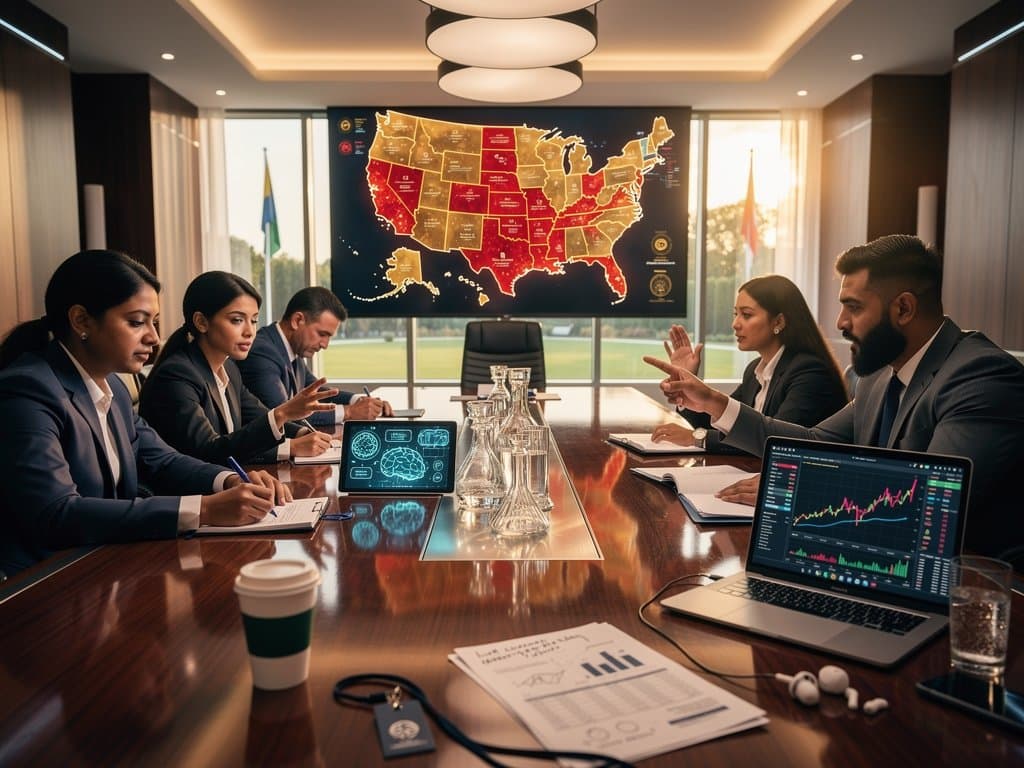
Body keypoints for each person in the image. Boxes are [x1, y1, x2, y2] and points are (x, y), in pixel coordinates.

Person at [644, 235, 1024, 557]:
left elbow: (932, 504)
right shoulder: (876, 377)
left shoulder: (981, 377)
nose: (840, 322)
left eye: (853, 307)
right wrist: (713, 402)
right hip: (870, 554)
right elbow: (814, 442)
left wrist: (798, 489)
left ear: (904, 308)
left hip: (961, 590)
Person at [0, 251, 289, 576]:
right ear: (81, 320)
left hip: (104, 566)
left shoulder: (114, 388)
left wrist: (230, 480)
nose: (153, 337)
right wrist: (204, 509)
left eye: (154, 322)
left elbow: (162, 459)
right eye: (137, 322)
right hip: (40, 583)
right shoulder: (27, 389)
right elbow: (56, 514)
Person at [139, 272, 337, 466]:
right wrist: (285, 421)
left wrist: (302, 433)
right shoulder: (177, 375)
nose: (250, 332)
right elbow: (209, 451)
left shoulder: (229, 369)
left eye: (253, 320)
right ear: (201, 322)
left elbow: (259, 416)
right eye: (237, 320)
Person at [650, 275, 848, 451]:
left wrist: (696, 438)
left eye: (746, 314)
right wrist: (687, 383)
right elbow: (725, 421)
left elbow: (772, 441)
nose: (735, 324)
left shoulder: (810, 373)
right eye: (735, 314)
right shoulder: (754, 369)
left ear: (778, 322)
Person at [238, 286, 392, 425]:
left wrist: (360, 401)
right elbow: (284, 414)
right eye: (322, 334)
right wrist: (350, 412)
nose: (325, 345)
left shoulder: (291, 349)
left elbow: (319, 392)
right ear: (297, 321)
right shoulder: (262, 352)